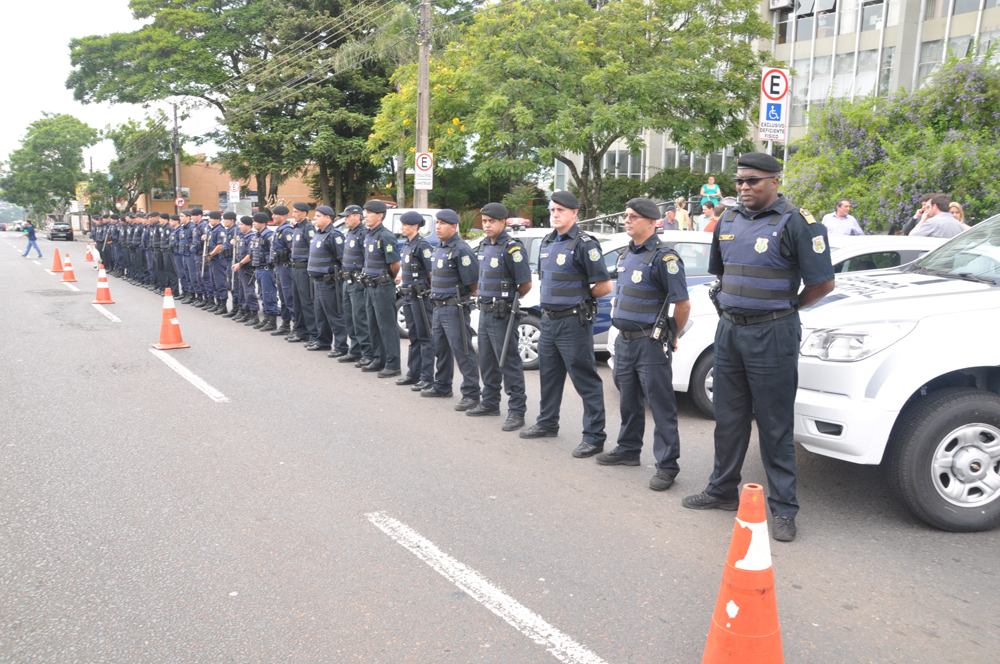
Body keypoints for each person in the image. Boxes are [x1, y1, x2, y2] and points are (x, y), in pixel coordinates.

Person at [682, 152, 835, 543]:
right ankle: (721, 490)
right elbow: (723, 271)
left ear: (774, 181)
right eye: (740, 182)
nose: (745, 188)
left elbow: (822, 284)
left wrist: (786, 309)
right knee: (728, 420)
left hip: (773, 335)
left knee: (774, 425)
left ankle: (783, 508)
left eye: (753, 181)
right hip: (730, 333)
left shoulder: (797, 222)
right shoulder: (727, 220)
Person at [599, 197, 691, 491]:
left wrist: (672, 334)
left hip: (650, 343)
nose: (627, 220)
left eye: (633, 217)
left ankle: (667, 466)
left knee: (661, 406)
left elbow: (683, 304)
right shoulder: (626, 254)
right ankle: (628, 450)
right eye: (625, 216)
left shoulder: (665, 258)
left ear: (652, 222)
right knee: (628, 400)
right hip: (625, 343)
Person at [519, 190, 612, 459]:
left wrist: (581, 297)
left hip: (573, 321)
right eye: (551, 210)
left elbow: (604, 286)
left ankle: (594, 437)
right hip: (548, 320)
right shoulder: (547, 242)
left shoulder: (585, 244)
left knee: (585, 380)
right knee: (549, 377)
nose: (555, 215)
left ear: (574, 213)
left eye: (560, 210)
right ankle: (548, 423)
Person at [469, 203, 533, 430]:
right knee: (486, 361)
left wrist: (508, 302)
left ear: (502, 222)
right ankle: (490, 402)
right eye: (484, 221)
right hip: (484, 313)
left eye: (491, 221)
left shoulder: (511, 248)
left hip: (502, 314)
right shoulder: (484, 245)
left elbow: (525, 284)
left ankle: (517, 411)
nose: (486, 225)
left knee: (508, 362)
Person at [423, 208, 481, 409]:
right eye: (436, 223)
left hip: (454, 308)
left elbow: (473, 282)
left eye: (442, 223)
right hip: (438, 308)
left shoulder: (461, 249)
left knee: (462, 350)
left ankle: (472, 393)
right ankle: (442, 385)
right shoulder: (440, 247)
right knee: (441, 349)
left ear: (454, 226)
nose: (437, 226)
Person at [361, 200, 402, 377]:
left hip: (382, 286)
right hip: (369, 286)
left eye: (369, 213)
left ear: (380, 215)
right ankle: (379, 359)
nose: (365, 216)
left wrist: (387, 279)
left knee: (387, 326)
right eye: (365, 212)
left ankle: (393, 364)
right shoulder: (369, 234)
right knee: (373, 325)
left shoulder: (385, 236)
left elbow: (395, 263)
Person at [396, 211, 435, 390]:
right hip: (408, 296)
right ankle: (413, 373)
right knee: (413, 336)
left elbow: (432, 272)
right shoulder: (407, 245)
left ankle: (427, 377)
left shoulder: (422, 246)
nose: (401, 227)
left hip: (421, 298)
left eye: (404, 225)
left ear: (414, 227)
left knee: (425, 336)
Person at [307, 205, 349, 354]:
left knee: (334, 314)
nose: (315, 219)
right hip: (317, 281)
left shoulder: (334, 235)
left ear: (327, 217)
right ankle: (323, 341)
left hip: (329, 281)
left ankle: (341, 346)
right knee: (320, 314)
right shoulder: (319, 234)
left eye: (318, 216)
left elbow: (343, 259)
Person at [338, 205, 374, 365]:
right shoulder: (351, 233)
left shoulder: (363, 234)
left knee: (360, 318)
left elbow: (368, 259)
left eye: (347, 216)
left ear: (357, 216)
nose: (345, 219)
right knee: (349, 317)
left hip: (358, 282)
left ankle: (367, 352)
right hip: (347, 280)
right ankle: (355, 349)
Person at [287, 202, 318, 343]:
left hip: (304, 270)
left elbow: (313, 250)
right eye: (293, 211)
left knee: (307, 303)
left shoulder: (308, 228)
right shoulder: (296, 228)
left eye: (296, 212)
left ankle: (313, 334)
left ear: (304, 213)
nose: (293, 214)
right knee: (297, 302)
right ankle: (301, 332)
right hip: (295, 268)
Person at [251, 211, 279, 331]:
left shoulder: (268, 235)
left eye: (255, 221)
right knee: (263, 295)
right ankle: (266, 318)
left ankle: (272, 321)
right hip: (259, 269)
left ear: (262, 222)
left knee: (269, 294)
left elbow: (273, 253)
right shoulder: (258, 235)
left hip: (266, 269)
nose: (253, 223)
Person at [270, 206, 296, 336]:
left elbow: (293, 250)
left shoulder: (287, 231)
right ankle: (285, 324)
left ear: (283, 216)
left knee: (289, 296)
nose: (273, 216)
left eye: (276, 214)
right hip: (279, 267)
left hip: (286, 267)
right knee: (283, 297)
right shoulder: (279, 230)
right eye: (273, 214)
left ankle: (296, 326)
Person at [231, 216, 259, 323]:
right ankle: (246, 313)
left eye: (242, 224)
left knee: (249, 292)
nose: (239, 226)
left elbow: (250, 255)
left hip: (247, 268)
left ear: (248, 225)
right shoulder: (242, 236)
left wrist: (240, 263)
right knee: (242, 291)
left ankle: (254, 315)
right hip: (241, 268)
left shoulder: (251, 237)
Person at [205, 211, 229, 314]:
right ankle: (218, 303)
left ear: (217, 219)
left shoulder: (220, 230)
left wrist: (210, 255)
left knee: (220, 283)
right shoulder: (212, 230)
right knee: (214, 282)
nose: (209, 220)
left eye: (211, 218)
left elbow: (220, 246)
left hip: (218, 260)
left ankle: (223, 306)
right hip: (213, 260)